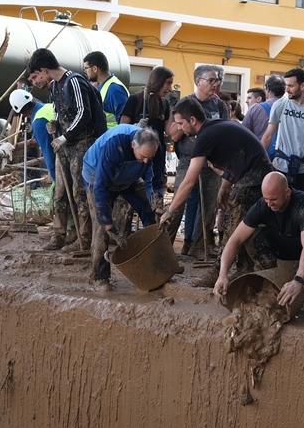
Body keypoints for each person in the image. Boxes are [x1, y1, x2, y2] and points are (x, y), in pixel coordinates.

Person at [161, 97, 274, 287]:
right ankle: (243, 269)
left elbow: (188, 182)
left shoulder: (204, 137)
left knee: (232, 228)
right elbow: (236, 159)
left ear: (193, 120)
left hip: (255, 181)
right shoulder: (215, 126)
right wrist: (225, 187)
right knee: (245, 227)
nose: (179, 128)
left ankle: (217, 272)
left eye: (180, 123)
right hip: (258, 177)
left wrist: (170, 211)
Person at [213, 172, 304, 311]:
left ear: (287, 192)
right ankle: (271, 281)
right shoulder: (263, 205)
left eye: (274, 199)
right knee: (253, 236)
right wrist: (222, 274)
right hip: (283, 246)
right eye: (266, 199)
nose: (269, 203)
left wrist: (298, 280)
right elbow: (235, 240)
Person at [27, 48, 107, 251]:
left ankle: (85, 239)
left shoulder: (74, 81)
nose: (35, 82)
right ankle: (59, 234)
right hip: (64, 145)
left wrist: (65, 136)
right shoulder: (54, 87)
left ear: (44, 70)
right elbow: (57, 110)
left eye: (35, 76)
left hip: (82, 144)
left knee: (80, 192)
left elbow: (84, 113)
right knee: (60, 192)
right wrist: (54, 124)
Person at [82, 125, 164, 291]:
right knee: (101, 230)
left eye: (150, 157)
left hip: (130, 177)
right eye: (143, 156)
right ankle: (99, 276)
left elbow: (155, 179)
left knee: (151, 215)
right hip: (96, 176)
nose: (147, 160)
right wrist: (107, 223)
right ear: (133, 145)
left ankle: (157, 266)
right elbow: (101, 187)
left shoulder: (155, 148)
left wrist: (157, 204)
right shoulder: (114, 144)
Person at [166, 64, 230, 255]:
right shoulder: (184, 103)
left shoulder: (219, 105)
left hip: (212, 163)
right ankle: (165, 247)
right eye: (211, 80)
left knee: (209, 206)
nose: (215, 84)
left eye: (216, 80)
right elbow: (173, 135)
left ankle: (197, 246)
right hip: (188, 159)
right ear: (198, 81)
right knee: (179, 202)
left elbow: (225, 131)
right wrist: (184, 120)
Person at [260, 68, 304, 198]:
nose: (287, 89)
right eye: (286, 85)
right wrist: (257, 163)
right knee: (279, 210)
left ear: (303, 86)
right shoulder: (280, 104)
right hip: (281, 166)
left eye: (291, 86)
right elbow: (268, 135)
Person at [8, 87, 56, 182]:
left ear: (23, 113)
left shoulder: (38, 123)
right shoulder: (50, 106)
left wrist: (55, 178)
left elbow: (49, 154)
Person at [83, 51, 129, 128]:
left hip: (114, 138)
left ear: (95, 69)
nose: (85, 72)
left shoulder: (114, 90)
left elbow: (124, 123)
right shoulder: (104, 86)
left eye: (86, 68)